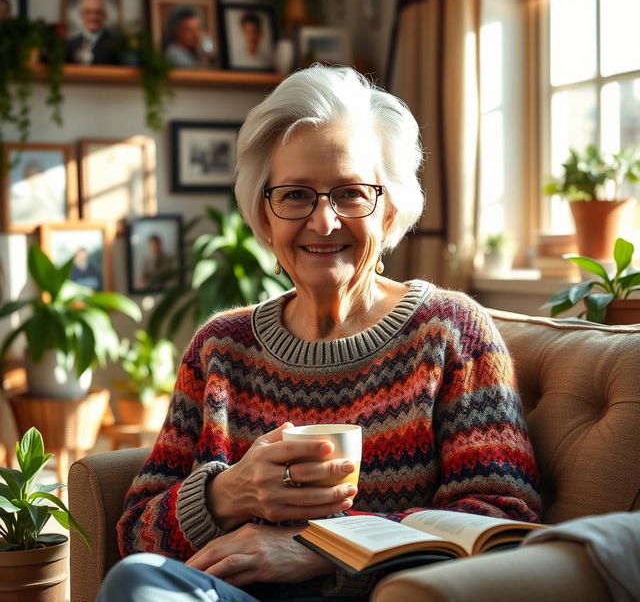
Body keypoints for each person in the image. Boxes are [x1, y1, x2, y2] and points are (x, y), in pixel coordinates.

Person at [99, 66, 541, 602]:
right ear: (264, 216)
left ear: (392, 209)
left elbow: (500, 519)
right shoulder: (220, 349)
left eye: (351, 194)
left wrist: (321, 548)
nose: (324, 222)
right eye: (295, 195)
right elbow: (133, 536)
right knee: (136, 581)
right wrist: (226, 493)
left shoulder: (450, 332)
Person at [65, 0, 119, 65]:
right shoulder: (70, 44)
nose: (93, 17)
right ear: (81, 15)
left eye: (98, 12)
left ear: (105, 16)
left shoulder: (116, 44)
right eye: (88, 12)